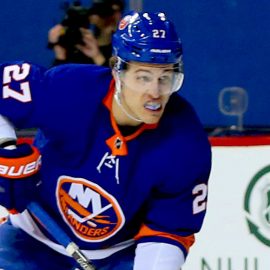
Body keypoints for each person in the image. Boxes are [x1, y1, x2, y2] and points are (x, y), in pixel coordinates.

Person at [0, 11, 212, 270]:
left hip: (120, 256)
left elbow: (168, 232)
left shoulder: (186, 143)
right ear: (117, 71)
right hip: (30, 237)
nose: (155, 93)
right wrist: (5, 147)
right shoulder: (70, 88)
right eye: (143, 77)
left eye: (165, 78)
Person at [48, 0, 124, 67]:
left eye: (116, 11)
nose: (112, 17)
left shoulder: (123, 48)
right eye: (103, 10)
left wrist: (97, 56)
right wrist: (60, 54)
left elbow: (116, 81)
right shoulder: (80, 44)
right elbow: (57, 80)